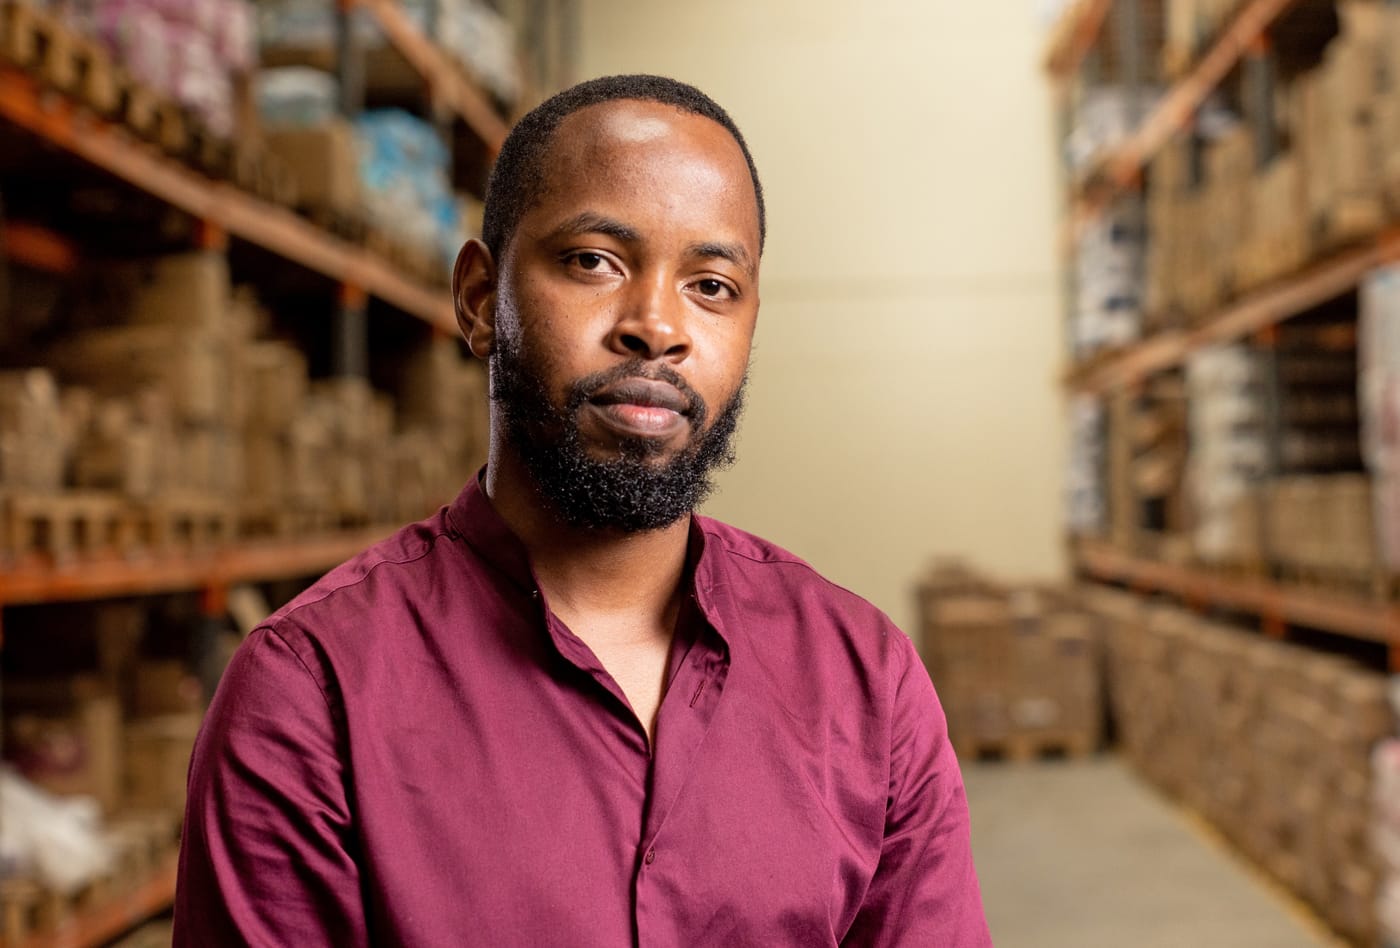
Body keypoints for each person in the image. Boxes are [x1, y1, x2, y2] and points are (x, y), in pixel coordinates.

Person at [173, 74, 990, 946]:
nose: (656, 326)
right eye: (594, 261)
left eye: (711, 285)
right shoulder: (309, 695)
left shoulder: (866, 682)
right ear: (482, 300)